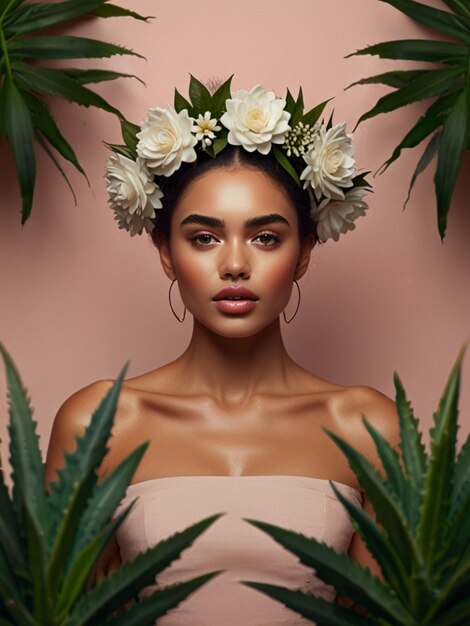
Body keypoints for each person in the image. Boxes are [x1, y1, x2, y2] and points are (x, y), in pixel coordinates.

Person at [45, 79, 399, 625]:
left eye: (265, 237)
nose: (235, 264)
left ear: (304, 252)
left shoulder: (367, 425)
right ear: (165, 252)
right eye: (204, 237)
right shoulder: (100, 422)